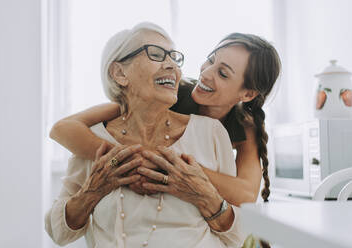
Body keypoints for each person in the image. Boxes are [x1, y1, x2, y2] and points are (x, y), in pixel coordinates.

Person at [45, 22, 246, 248]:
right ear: (120, 73)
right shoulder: (93, 140)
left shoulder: (211, 133)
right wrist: (92, 192)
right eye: (157, 54)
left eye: (174, 57)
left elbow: (238, 238)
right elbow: (57, 232)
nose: (172, 66)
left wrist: (205, 197)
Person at [50, 30, 281, 205]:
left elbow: (246, 194)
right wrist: (129, 161)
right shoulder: (167, 94)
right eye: (210, 60)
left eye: (222, 73)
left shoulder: (244, 126)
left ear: (247, 94)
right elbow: (62, 129)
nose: (206, 73)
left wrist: (174, 167)